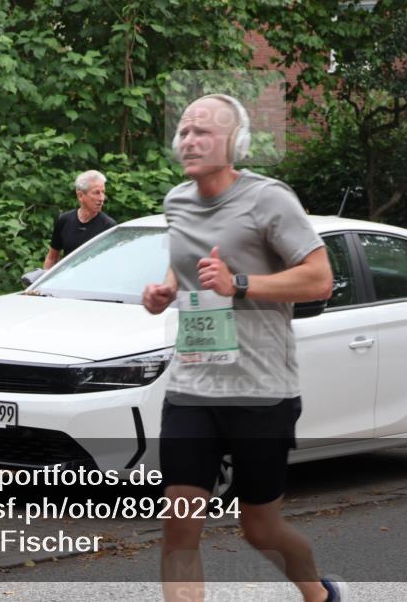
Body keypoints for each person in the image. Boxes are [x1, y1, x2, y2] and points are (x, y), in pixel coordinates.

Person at [142, 94, 345, 602]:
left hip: (261, 390)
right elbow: (189, 264)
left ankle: (320, 595)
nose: (189, 141)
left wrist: (239, 283)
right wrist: (165, 289)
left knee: (260, 527)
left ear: (235, 143)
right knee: (179, 524)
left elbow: (319, 278)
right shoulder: (176, 201)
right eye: (184, 131)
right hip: (192, 386)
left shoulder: (268, 199)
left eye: (203, 132)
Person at [43, 170, 117, 269]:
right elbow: (52, 258)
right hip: (67, 277)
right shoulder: (64, 220)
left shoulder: (109, 226)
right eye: (96, 193)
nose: (101, 198)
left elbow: (113, 264)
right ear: (80, 195)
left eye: (103, 192)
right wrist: (45, 277)